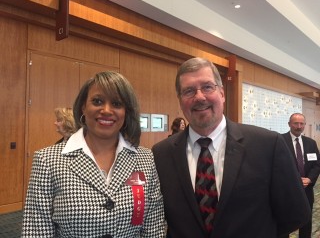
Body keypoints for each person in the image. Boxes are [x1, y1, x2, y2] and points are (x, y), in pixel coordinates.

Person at [152, 57, 311, 238]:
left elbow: (296, 213)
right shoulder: (161, 154)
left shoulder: (267, 144)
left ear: (222, 93)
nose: (199, 97)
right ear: (180, 100)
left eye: (207, 87)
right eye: (188, 91)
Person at [22, 71, 166, 237]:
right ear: (83, 106)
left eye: (117, 104)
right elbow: (36, 231)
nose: (106, 110)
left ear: (126, 112)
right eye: (97, 101)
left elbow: (153, 229)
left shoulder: (145, 159)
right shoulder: (47, 160)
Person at [282, 113, 320, 238]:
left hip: (306, 188)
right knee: (285, 219)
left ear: (304, 125)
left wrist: (309, 179)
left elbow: (317, 165)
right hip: (287, 189)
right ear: (289, 124)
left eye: (301, 123)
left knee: (306, 219)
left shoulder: (311, 143)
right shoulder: (280, 141)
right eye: (295, 123)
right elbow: (277, 165)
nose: (299, 126)